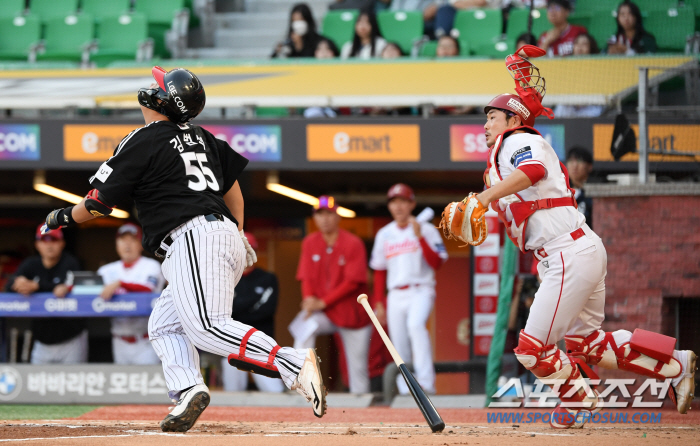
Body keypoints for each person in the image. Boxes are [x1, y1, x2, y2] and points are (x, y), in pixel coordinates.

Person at [40, 66, 326, 432]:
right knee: (163, 325)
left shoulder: (143, 138)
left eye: (157, 87)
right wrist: (237, 231)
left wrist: (60, 217)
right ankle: (189, 388)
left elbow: (97, 205)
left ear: (162, 100)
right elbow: (232, 187)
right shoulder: (203, 136)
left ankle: (292, 362)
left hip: (192, 238)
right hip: (214, 237)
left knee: (208, 327)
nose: (150, 88)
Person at [443, 53, 696, 428]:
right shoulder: (505, 157)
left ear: (512, 119)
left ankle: (578, 400)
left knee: (531, 350)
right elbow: (521, 205)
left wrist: (484, 198)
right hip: (576, 250)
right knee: (587, 344)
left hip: (568, 253)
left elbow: (533, 171)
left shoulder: (515, 139)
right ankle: (675, 363)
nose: (485, 125)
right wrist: (482, 207)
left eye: (491, 117)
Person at [369, 184, 448, 395]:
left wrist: (419, 236)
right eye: (394, 202)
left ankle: (426, 383)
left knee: (416, 326)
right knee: (399, 341)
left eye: (403, 201)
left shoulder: (427, 229)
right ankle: (407, 389)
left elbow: (437, 263)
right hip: (395, 293)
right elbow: (379, 270)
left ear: (411, 204)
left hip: (421, 288)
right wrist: (379, 302)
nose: (398, 206)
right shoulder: (384, 234)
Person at [294, 196, 372, 393]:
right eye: (320, 214)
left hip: (352, 315)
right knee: (304, 326)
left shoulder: (352, 242)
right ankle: (302, 384)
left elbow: (352, 282)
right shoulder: (310, 242)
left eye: (329, 213)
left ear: (338, 216)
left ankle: (361, 410)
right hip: (325, 313)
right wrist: (309, 300)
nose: (325, 218)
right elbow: (306, 277)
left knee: (358, 369)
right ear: (315, 218)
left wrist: (322, 302)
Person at [5, 225, 87, 364]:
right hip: (41, 340)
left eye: (54, 240)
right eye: (44, 240)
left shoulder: (70, 262)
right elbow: (9, 286)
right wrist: (20, 284)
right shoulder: (31, 264)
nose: (49, 245)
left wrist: (37, 286)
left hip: (71, 338)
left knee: (72, 383)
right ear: (37, 244)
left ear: (62, 243)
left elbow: (67, 287)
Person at [220, 232, 284, 392]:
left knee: (275, 393)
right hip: (233, 342)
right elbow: (223, 312)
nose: (244, 254)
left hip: (261, 343)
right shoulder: (225, 278)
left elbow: (266, 311)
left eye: (248, 249)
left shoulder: (267, 278)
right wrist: (251, 303)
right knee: (232, 393)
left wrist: (239, 306)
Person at [97, 223, 165, 365]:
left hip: (146, 341)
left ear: (141, 244)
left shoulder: (152, 265)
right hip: (118, 340)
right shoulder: (105, 270)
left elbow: (148, 290)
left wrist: (121, 284)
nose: (127, 244)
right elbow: (89, 293)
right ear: (116, 244)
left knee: (146, 385)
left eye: (132, 240)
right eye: (123, 240)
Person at [565, 146, 594, 229]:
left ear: (589, 166)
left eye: (579, 160)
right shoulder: (561, 191)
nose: (574, 165)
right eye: (571, 161)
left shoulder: (595, 194)